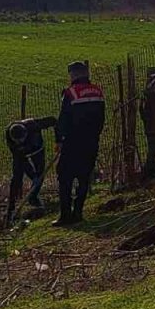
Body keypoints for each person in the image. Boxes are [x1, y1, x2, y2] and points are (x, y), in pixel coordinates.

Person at [53, 62, 106, 226]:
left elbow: (64, 119)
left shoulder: (71, 93)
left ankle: (65, 215)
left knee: (64, 176)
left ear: (73, 74)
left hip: (72, 142)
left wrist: (59, 139)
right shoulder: (98, 91)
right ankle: (78, 212)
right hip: (91, 141)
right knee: (84, 177)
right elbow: (101, 118)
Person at [5, 116, 57, 224]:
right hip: (21, 155)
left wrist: (60, 138)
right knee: (16, 177)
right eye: (17, 141)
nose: (19, 142)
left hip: (37, 151)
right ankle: (11, 208)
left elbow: (53, 121)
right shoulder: (9, 135)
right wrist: (33, 176)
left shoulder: (33, 125)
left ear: (26, 134)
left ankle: (33, 197)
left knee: (40, 173)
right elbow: (22, 161)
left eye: (21, 140)